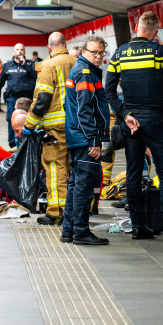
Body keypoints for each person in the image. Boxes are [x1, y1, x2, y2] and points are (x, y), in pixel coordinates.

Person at [104, 11, 163, 241]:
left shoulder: (119, 54)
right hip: (156, 120)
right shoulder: (159, 51)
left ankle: (138, 227)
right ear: (155, 32)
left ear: (137, 28)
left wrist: (125, 113)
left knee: (134, 174)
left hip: (131, 123)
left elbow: (109, 91)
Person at [63, 38, 110, 246]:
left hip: (76, 137)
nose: (98, 56)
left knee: (75, 185)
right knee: (83, 186)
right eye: (94, 52)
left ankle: (69, 230)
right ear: (83, 51)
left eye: (101, 53)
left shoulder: (82, 70)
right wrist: (93, 139)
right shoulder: (85, 73)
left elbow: (69, 104)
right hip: (84, 139)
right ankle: (80, 232)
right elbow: (85, 110)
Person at [24, 32, 73, 226]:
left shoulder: (48, 66)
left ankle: (56, 211)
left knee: (55, 167)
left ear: (49, 47)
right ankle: (73, 208)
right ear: (65, 44)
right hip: (76, 127)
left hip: (55, 129)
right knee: (71, 169)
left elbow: (42, 100)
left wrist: (29, 125)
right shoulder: (76, 63)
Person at [0, 43, 37, 148]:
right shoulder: (7, 65)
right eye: (17, 49)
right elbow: (0, 81)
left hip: (27, 98)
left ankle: (26, 143)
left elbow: (36, 77)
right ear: (14, 52)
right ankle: (13, 145)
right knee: (10, 119)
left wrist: (25, 65)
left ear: (24, 52)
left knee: (27, 120)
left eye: (22, 50)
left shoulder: (30, 64)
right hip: (12, 97)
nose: (19, 52)